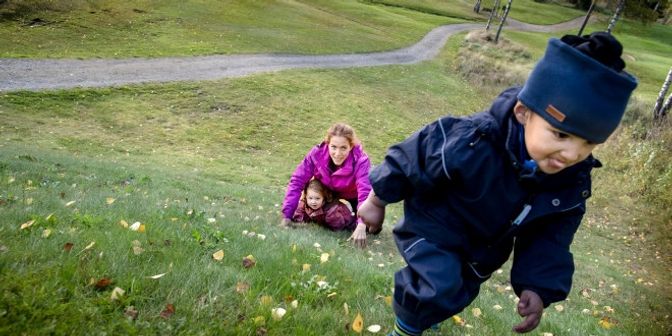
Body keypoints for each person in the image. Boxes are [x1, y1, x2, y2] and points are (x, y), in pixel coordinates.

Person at [357, 32, 637, 335]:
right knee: (437, 284)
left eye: (589, 143)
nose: (572, 154)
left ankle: (429, 318)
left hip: (482, 249)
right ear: (523, 113)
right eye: (560, 135)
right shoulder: (474, 139)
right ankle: (405, 331)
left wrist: (538, 287)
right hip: (435, 225)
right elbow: (413, 157)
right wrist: (377, 200)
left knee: (455, 293)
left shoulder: (567, 183)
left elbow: (550, 236)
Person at [281, 122, 375, 248]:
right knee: (323, 215)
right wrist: (287, 215)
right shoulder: (316, 154)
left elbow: (365, 193)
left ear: (351, 146)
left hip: (354, 194)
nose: (337, 153)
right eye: (334, 147)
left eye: (343, 148)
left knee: (370, 227)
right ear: (327, 144)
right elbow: (297, 180)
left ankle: (358, 222)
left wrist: (362, 224)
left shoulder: (361, 161)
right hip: (327, 190)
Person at [291, 179, 356, 231]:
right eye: (310, 198)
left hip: (347, 220)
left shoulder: (331, 211)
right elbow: (299, 212)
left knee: (352, 226)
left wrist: (327, 226)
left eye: (317, 198)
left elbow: (339, 225)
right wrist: (297, 220)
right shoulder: (305, 203)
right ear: (306, 197)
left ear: (323, 198)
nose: (313, 202)